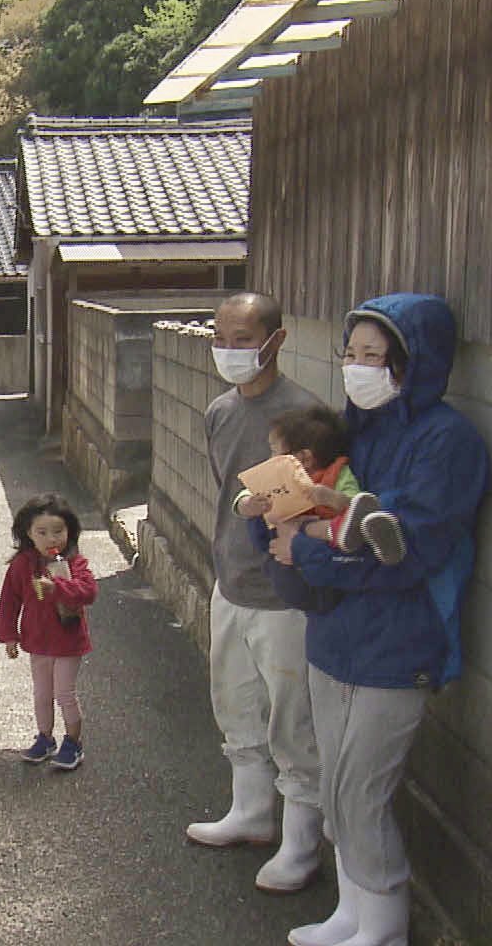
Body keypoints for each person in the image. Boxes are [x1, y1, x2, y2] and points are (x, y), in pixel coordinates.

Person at [260, 294, 489, 946]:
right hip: (334, 637)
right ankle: (351, 911)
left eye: (375, 356)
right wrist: (275, 519)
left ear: (413, 363)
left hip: (400, 645)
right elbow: (292, 495)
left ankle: (385, 923)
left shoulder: (448, 442)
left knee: (362, 792)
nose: (357, 368)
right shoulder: (347, 430)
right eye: (351, 353)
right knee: (336, 786)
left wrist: (303, 549)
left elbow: (410, 553)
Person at [186, 292, 326, 897]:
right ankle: (250, 813)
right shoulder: (219, 411)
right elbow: (227, 494)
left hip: (288, 595)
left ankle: (300, 845)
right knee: (235, 702)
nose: (230, 350)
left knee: (294, 722)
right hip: (231, 583)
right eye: (221, 336)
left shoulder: (305, 414)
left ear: (276, 340)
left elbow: (317, 505)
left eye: (244, 338)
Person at [0, 493, 98, 771]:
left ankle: (73, 743)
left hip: (68, 641)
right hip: (37, 641)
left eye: (58, 531)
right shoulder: (21, 565)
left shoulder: (75, 563)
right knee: (42, 693)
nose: (51, 539)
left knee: (65, 693)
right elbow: (9, 600)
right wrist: (8, 634)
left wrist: (59, 588)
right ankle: (45, 737)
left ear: (70, 531)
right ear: (28, 533)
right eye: (42, 532)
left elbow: (89, 591)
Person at [235, 405, 405, 566]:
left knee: (349, 525)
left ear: (304, 458)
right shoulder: (274, 475)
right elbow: (245, 494)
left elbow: (356, 506)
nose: (270, 457)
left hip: (318, 549)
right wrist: (247, 504)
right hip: (277, 541)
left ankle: (379, 534)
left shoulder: (339, 475)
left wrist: (330, 498)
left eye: (274, 450)